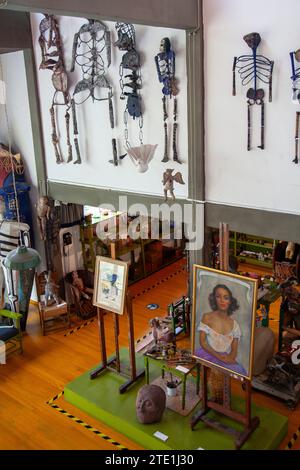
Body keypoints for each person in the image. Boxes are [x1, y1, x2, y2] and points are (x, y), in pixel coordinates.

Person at [195, 284, 247, 375]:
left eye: (226, 298)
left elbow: (234, 351)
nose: (222, 301)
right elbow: (203, 343)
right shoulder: (207, 317)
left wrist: (229, 358)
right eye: (218, 297)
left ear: (230, 301)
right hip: (208, 353)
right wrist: (219, 357)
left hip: (225, 358)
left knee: (241, 371)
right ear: (214, 299)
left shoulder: (235, 326)